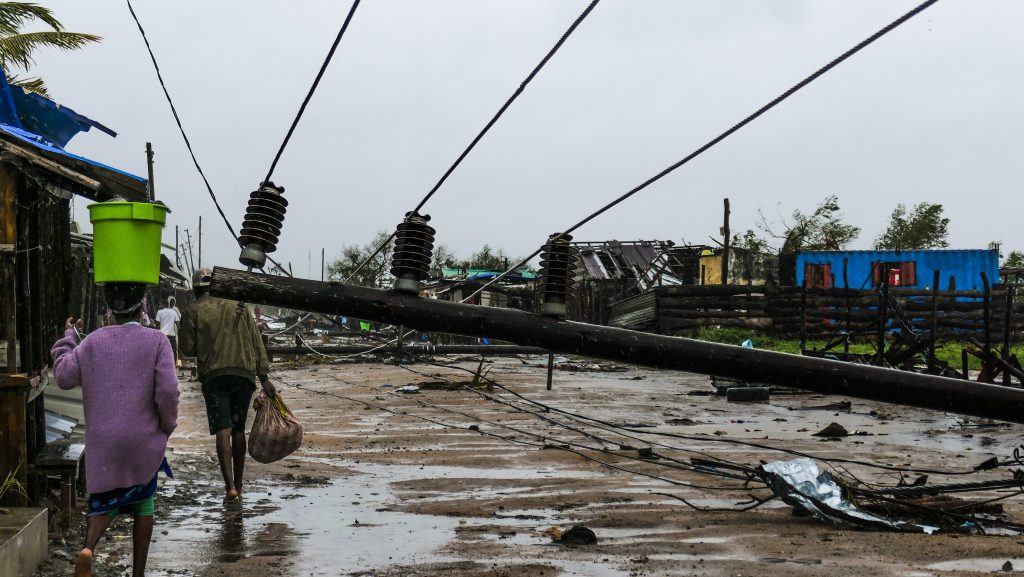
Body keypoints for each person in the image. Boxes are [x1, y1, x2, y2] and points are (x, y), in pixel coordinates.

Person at [51, 282, 179, 577]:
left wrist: (69, 337)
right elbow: (169, 393)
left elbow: (64, 376)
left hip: (103, 444)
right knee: (144, 500)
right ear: (142, 305)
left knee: (103, 504)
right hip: (143, 441)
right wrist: (166, 425)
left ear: (109, 309)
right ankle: (138, 574)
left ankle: (87, 549)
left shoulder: (92, 342)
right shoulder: (157, 341)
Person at [179, 267, 276, 502]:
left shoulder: (193, 310)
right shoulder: (239, 306)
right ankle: (240, 486)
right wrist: (264, 378)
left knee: (223, 429)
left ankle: (230, 487)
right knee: (238, 428)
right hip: (244, 375)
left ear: (195, 289)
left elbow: (187, 349)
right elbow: (256, 342)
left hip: (214, 377)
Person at [156, 297, 181, 369]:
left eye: (161, 304)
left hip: (162, 335)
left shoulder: (159, 312)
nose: (160, 306)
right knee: (173, 351)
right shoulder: (173, 312)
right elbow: (178, 323)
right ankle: (173, 367)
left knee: (161, 352)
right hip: (172, 335)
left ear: (164, 304)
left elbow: (157, 325)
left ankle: (161, 366)